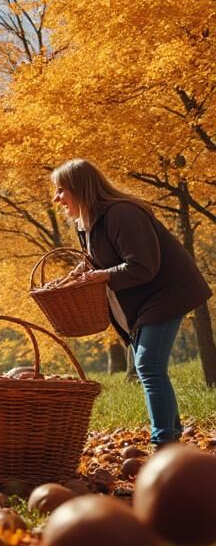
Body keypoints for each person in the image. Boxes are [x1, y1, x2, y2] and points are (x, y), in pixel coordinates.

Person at [51, 158, 211, 447]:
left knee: (148, 365)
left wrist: (100, 276)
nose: (57, 197)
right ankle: (172, 434)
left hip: (168, 293)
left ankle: (163, 445)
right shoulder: (86, 222)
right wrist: (86, 270)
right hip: (146, 299)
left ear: (80, 187)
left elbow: (143, 266)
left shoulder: (122, 214)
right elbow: (104, 258)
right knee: (147, 366)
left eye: (61, 190)